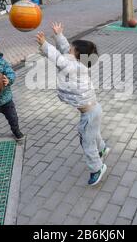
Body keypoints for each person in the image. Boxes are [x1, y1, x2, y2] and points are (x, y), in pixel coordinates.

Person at [36, 22, 110, 186]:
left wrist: (45, 45)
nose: (68, 50)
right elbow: (64, 51)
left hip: (89, 113)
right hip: (93, 109)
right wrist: (59, 35)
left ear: (77, 56)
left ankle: (97, 168)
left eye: (71, 50)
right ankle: (102, 148)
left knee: (86, 140)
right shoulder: (78, 63)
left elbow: (60, 59)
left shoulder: (74, 66)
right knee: (93, 132)